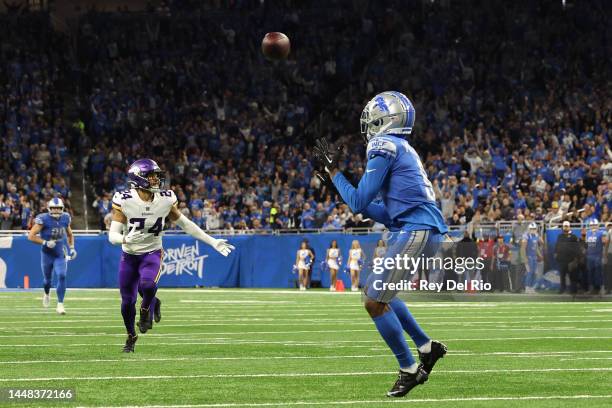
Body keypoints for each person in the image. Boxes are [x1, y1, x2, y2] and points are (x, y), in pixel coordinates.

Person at [313, 91, 448, 397]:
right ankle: (427, 347)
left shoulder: (382, 143)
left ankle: (410, 369)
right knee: (378, 291)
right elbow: (386, 214)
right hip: (416, 229)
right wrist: (338, 184)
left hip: (416, 231)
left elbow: (360, 202)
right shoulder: (403, 147)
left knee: (374, 301)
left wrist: (336, 173)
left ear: (384, 121)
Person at [108, 159, 234, 353]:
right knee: (127, 302)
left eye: (157, 176)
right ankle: (131, 336)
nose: (156, 180)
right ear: (138, 178)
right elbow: (112, 235)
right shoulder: (125, 200)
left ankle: (146, 309)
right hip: (130, 255)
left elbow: (186, 225)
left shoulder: (166, 199)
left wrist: (212, 241)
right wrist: (125, 239)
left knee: (148, 285)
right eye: (151, 176)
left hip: (152, 252)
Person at [27, 197, 76, 315]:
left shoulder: (65, 217)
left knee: (62, 275)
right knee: (47, 281)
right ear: (49, 208)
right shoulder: (43, 219)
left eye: (58, 208)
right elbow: (31, 236)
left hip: (60, 253)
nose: (56, 211)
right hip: (47, 254)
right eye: (53, 208)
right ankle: (47, 293)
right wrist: (45, 242)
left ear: (62, 208)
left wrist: (72, 248)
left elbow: (69, 234)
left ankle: (60, 304)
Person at [554, 221, 580, 294]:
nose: (565, 228)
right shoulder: (560, 236)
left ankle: (573, 290)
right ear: (562, 227)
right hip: (562, 259)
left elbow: (577, 248)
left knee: (572, 276)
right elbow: (557, 246)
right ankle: (562, 289)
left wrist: (575, 259)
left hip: (571, 260)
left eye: (567, 226)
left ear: (569, 227)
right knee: (562, 276)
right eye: (564, 226)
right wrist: (555, 254)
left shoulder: (574, 236)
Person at [585, 219, 606, 295]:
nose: (593, 226)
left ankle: (601, 288)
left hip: (598, 255)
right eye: (591, 225)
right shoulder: (588, 233)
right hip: (590, 255)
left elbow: (604, 243)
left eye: (594, 225)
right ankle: (592, 289)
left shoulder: (601, 232)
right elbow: (587, 245)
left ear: (597, 225)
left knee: (598, 272)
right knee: (590, 272)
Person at [521, 223, 543, 293]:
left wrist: (539, 255)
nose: (533, 230)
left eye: (534, 229)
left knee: (535, 273)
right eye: (531, 229)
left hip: (534, 257)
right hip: (529, 256)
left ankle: (531, 287)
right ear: (529, 229)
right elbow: (523, 248)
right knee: (529, 272)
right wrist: (525, 259)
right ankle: (527, 287)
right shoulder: (526, 236)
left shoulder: (536, 235)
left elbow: (536, 247)